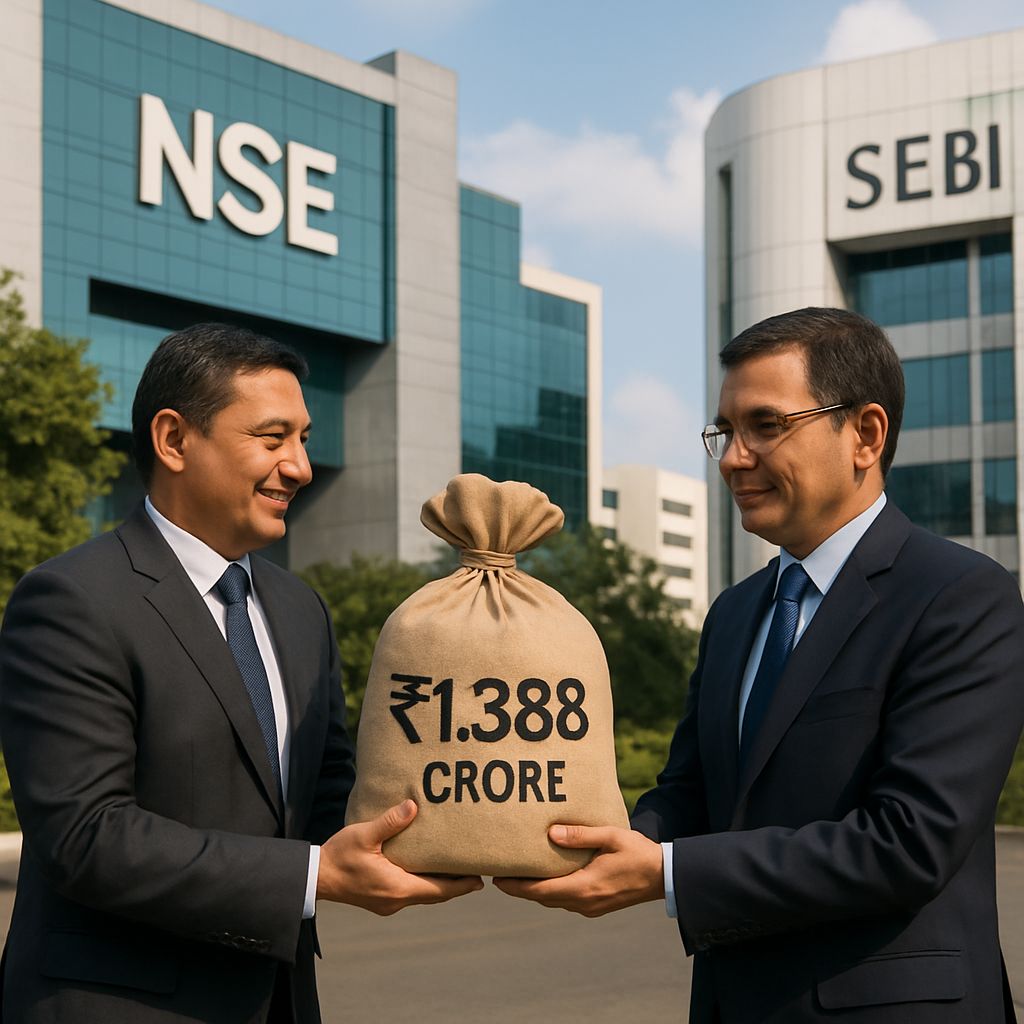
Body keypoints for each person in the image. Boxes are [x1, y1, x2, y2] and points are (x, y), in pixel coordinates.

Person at [496, 307, 1024, 1022]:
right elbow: (690, 790)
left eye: (766, 426)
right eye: (725, 431)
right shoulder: (735, 613)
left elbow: (910, 841)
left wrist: (666, 872)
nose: (733, 458)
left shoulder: (959, 596)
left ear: (865, 434)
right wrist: (597, 841)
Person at [0, 323, 481, 1023]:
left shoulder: (301, 610)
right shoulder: (72, 600)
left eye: (304, 439)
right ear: (173, 439)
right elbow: (87, 835)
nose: (301, 467)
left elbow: (333, 793)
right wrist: (315, 875)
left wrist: (469, 823)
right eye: (272, 438)